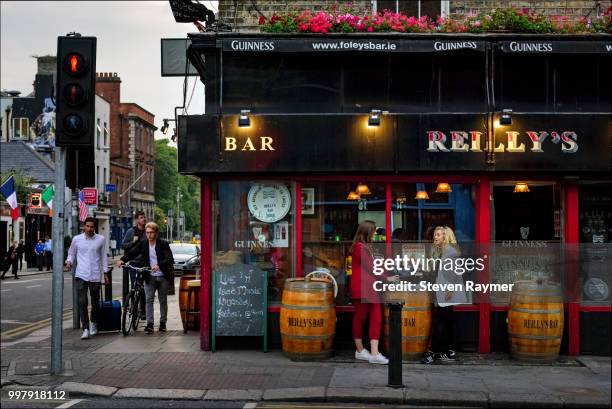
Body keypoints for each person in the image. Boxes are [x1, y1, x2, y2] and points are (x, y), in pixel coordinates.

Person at [421, 226, 467, 364]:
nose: (436, 237)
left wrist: (450, 290)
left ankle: (432, 352)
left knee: (439, 322)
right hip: (446, 290)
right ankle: (449, 351)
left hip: (447, 292)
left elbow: (453, 273)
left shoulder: (449, 252)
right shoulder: (445, 251)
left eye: (439, 235)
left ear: (446, 237)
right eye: (435, 234)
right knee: (449, 321)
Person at [118, 222, 174, 333]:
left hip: (163, 277)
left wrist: (158, 265)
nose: (149, 235)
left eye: (151, 232)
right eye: (147, 233)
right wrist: (122, 260)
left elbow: (169, 259)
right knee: (149, 300)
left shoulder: (163, 244)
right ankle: (150, 324)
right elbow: (132, 252)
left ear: (156, 233)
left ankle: (162, 323)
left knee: (163, 300)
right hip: (149, 276)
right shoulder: (143, 244)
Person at [350, 220, 389, 365]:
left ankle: (374, 352)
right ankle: (360, 350)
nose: (374, 234)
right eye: (373, 231)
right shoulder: (360, 247)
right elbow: (371, 268)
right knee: (360, 319)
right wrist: (388, 277)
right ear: (368, 232)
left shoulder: (365, 247)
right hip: (362, 289)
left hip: (369, 288)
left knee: (376, 318)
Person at [65, 217, 109, 340]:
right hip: (81, 275)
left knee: (95, 303)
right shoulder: (76, 239)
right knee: (82, 302)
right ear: (84, 226)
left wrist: (105, 273)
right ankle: (85, 328)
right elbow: (71, 253)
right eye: (87, 226)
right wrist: (69, 261)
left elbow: (103, 257)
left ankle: (94, 323)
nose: (89, 229)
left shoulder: (101, 239)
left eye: (92, 227)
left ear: (95, 227)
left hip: (95, 275)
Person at [122, 211, 147, 318]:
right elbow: (123, 245)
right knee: (134, 286)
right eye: (141, 217)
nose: (144, 219)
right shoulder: (131, 231)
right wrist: (132, 242)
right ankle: (134, 309)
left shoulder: (148, 231)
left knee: (144, 288)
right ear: (137, 220)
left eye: (144, 217)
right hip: (134, 263)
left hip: (145, 263)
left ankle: (143, 310)